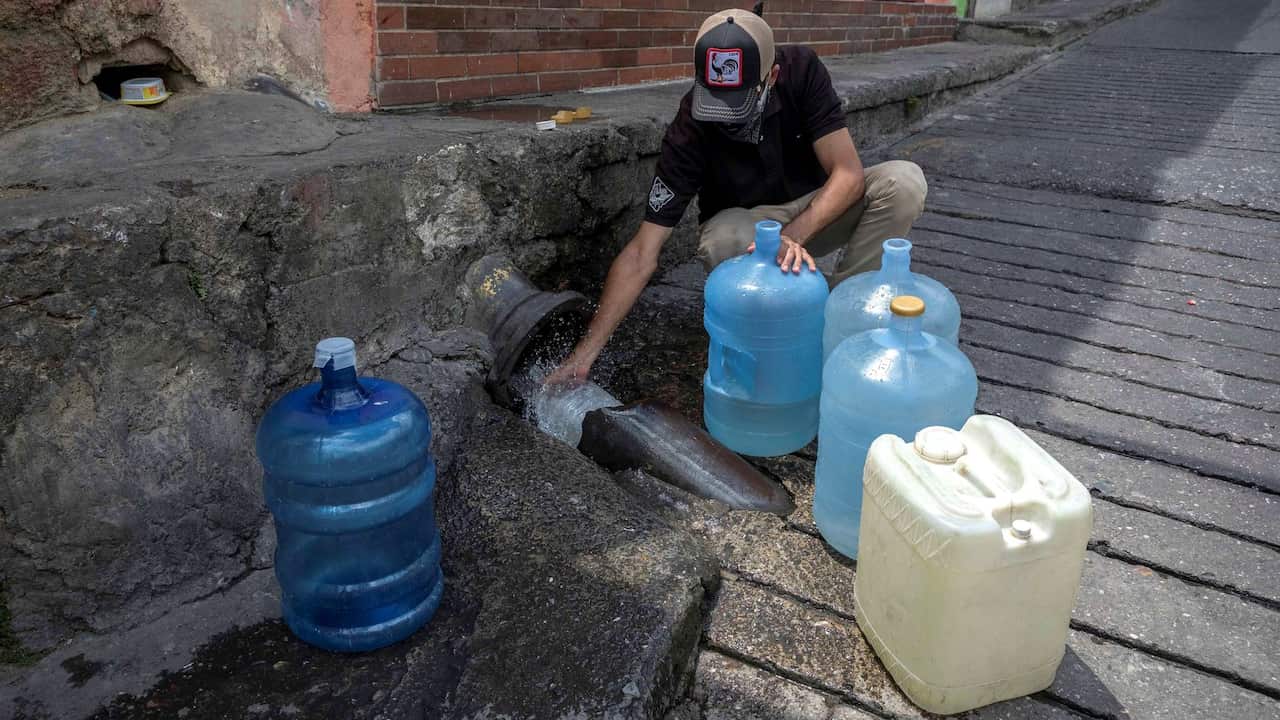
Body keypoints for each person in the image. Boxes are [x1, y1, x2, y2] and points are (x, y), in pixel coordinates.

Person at [546, 5, 928, 386]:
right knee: (720, 240)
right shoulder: (690, 126)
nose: (726, 117)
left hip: (817, 207)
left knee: (903, 182)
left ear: (772, 75)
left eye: (740, 101)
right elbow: (641, 253)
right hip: (748, 234)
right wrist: (584, 355)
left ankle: (842, 318)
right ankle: (768, 331)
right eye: (715, 100)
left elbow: (847, 175)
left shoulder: (802, 70)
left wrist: (790, 236)